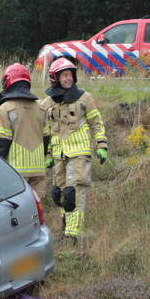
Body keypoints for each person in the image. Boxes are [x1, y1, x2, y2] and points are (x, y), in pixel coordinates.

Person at [40, 58, 108, 244]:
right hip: (58, 156)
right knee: (60, 193)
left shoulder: (85, 98)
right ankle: (66, 230)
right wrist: (47, 155)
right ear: (55, 78)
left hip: (79, 153)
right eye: (64, 75)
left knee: (74, 192)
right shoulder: (47, 103)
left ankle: (73, 235)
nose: (68, 78)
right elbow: (44, 131)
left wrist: (101, 144)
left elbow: (96, 123)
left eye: (70, 74)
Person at [0, 63, 52, 190]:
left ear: (7, 82)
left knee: (19, 207)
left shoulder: (4, 108)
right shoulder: (41, 108)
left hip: (16, 169)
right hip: (38, 167)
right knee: (35, 206)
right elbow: (46, 138)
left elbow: (3, 141)